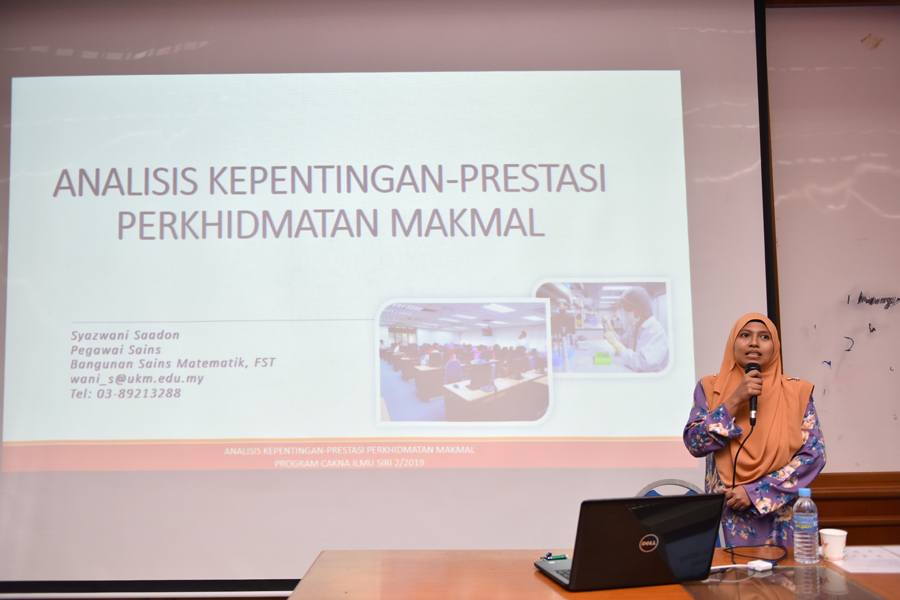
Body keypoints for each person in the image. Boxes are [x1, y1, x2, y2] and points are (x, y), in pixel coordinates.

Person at [683, 314, 826, 547]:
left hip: (780, 516)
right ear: (733, 343)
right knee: (729, 571)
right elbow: (694, 444)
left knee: (784, 572)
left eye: (764, 337)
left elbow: (814, 455)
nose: (754, 343)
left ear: (775, 346)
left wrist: (755, 492)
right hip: (727, 514)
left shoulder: (797, 391)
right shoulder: (710, 388)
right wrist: (734, 400)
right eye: (745, 335)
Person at [603, 286, 669, 372]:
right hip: (632, 371)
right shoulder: (634, 328)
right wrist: (610, 328)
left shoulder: (656, 331)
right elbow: (622, 343)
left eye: (628, 308)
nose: (626, 312)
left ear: (639, 307)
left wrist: (616, 343)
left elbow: (643, 365)